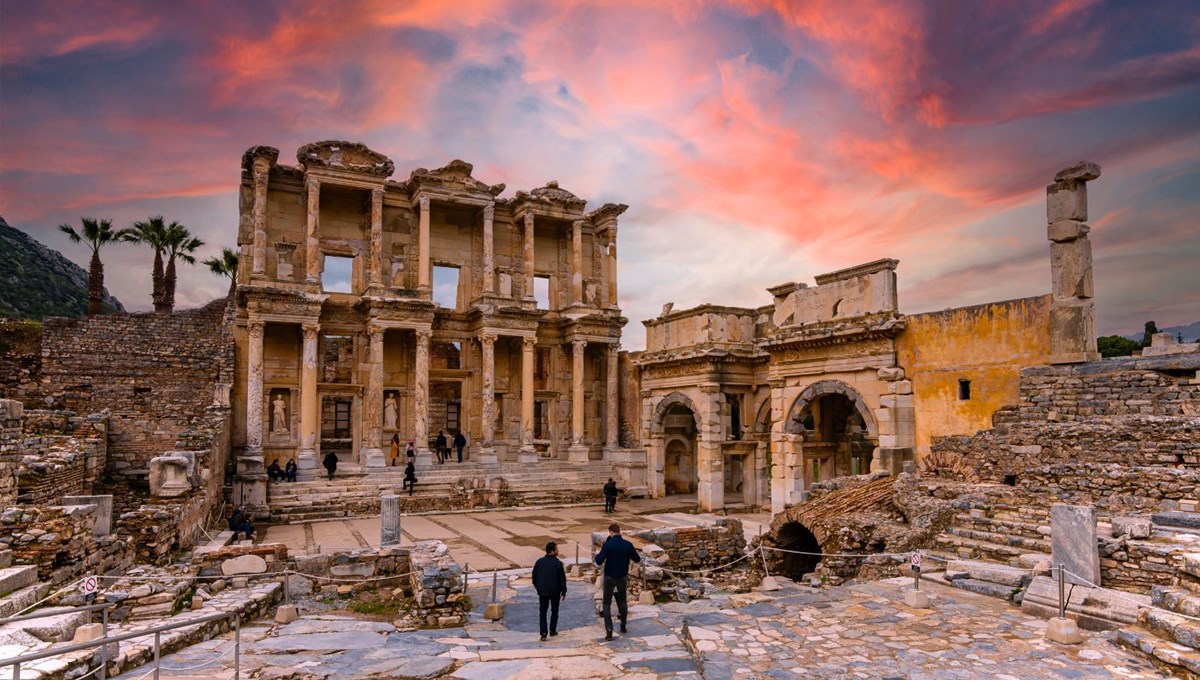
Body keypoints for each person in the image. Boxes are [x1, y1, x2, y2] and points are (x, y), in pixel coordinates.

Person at [594, 523, 640, 641]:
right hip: (622, 577)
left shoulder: (608, 545)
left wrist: (598, 554)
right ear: (620, 531)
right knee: (623, 601)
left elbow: (599, 561)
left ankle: (609, 630)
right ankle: (623, 625)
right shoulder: (627, 545)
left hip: (609, 577)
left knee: (607, 604)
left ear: (611, 532)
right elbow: (637, 559)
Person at [532, 541, 567, 641]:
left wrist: (537, 587)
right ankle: (552, 629)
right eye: (556, 549)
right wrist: (563, 591)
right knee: (554, 611)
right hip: (555, 591)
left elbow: (534, 577)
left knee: (543, 612)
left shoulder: (539, 562)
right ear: (552, 551)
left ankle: (543, 633)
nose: (558, 551)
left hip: (542, 591)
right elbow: (562, 579)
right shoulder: (558, 564)